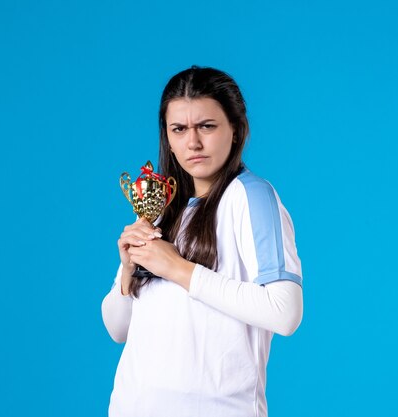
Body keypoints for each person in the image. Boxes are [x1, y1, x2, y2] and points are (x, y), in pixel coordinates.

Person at [101, 66, 303, 417]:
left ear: (235, 129)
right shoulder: (160, 208)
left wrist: (178, 269)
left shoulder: (251, 197)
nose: (192, 143)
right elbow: (117, 329)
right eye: (179, 129)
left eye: (206, 127)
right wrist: (127, 270)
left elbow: (285, 313)